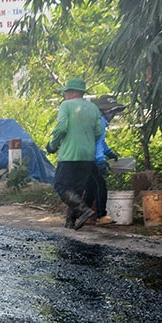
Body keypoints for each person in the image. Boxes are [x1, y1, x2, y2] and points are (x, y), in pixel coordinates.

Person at [45, 78, 103, 230]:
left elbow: (61, 128)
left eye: (65, 93)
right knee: (76, 189)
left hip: (69, 154)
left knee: (61, 186)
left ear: (70, 93)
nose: (64, 96)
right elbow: (98, 132)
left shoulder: (66, 105)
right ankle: (70, 222)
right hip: (87, 155)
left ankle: (83, 209)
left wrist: (52, 145)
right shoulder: (93, 108)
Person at [84, 95, 125, 226]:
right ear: (105, 111)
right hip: (89, 158)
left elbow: (100, 141)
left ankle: (83, 216)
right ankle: (102, 215)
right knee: (100, 186)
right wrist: (101, 160)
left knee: (91, 187)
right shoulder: (100, 121)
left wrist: (109, 153)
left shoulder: (96, 120)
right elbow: (96, 144)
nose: (113, 115)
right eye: (112, 112)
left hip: (84, 157)